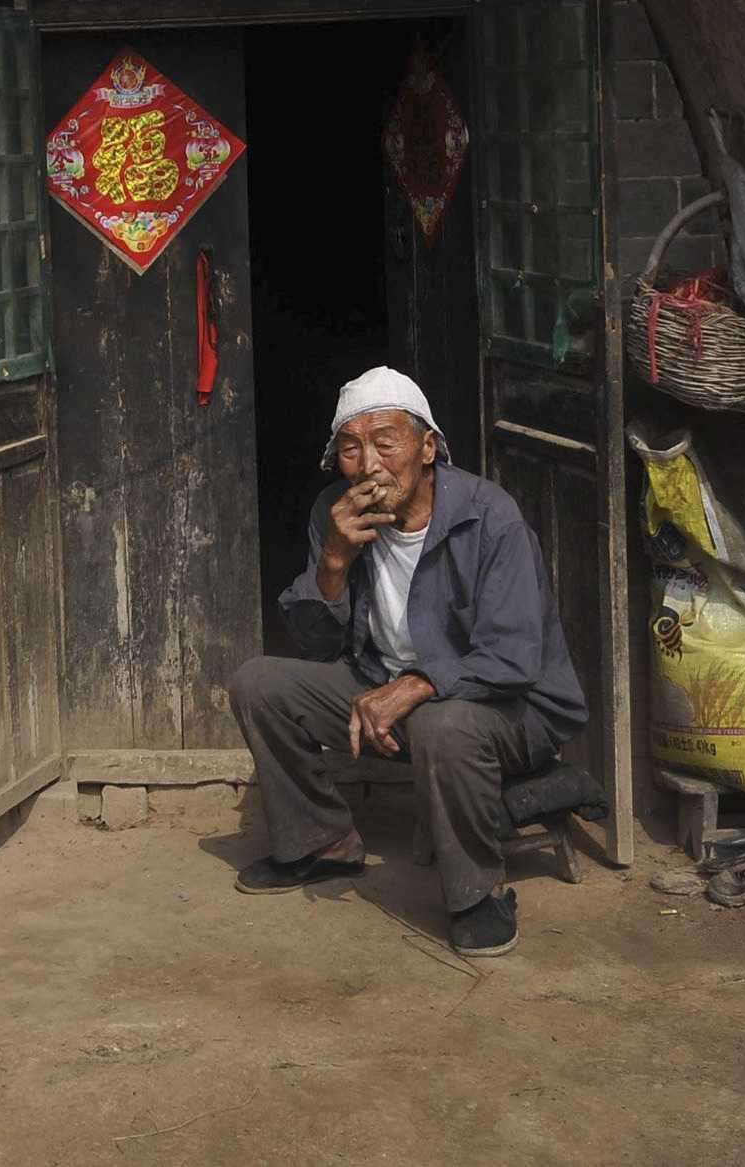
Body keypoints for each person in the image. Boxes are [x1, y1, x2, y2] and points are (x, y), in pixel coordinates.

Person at [227, 367, 587, 957]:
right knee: (259, 684)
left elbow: (513, 659)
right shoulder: (333, 514)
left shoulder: (489, 517)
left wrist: (418, 685)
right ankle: (322, 844)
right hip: (383, 684)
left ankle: (479, 893)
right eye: (351, 447)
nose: (369, 463)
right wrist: (336, 562)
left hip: (510, 709)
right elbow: (316, 647)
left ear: (426, 449)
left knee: (441, 721)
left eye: (385, 443)